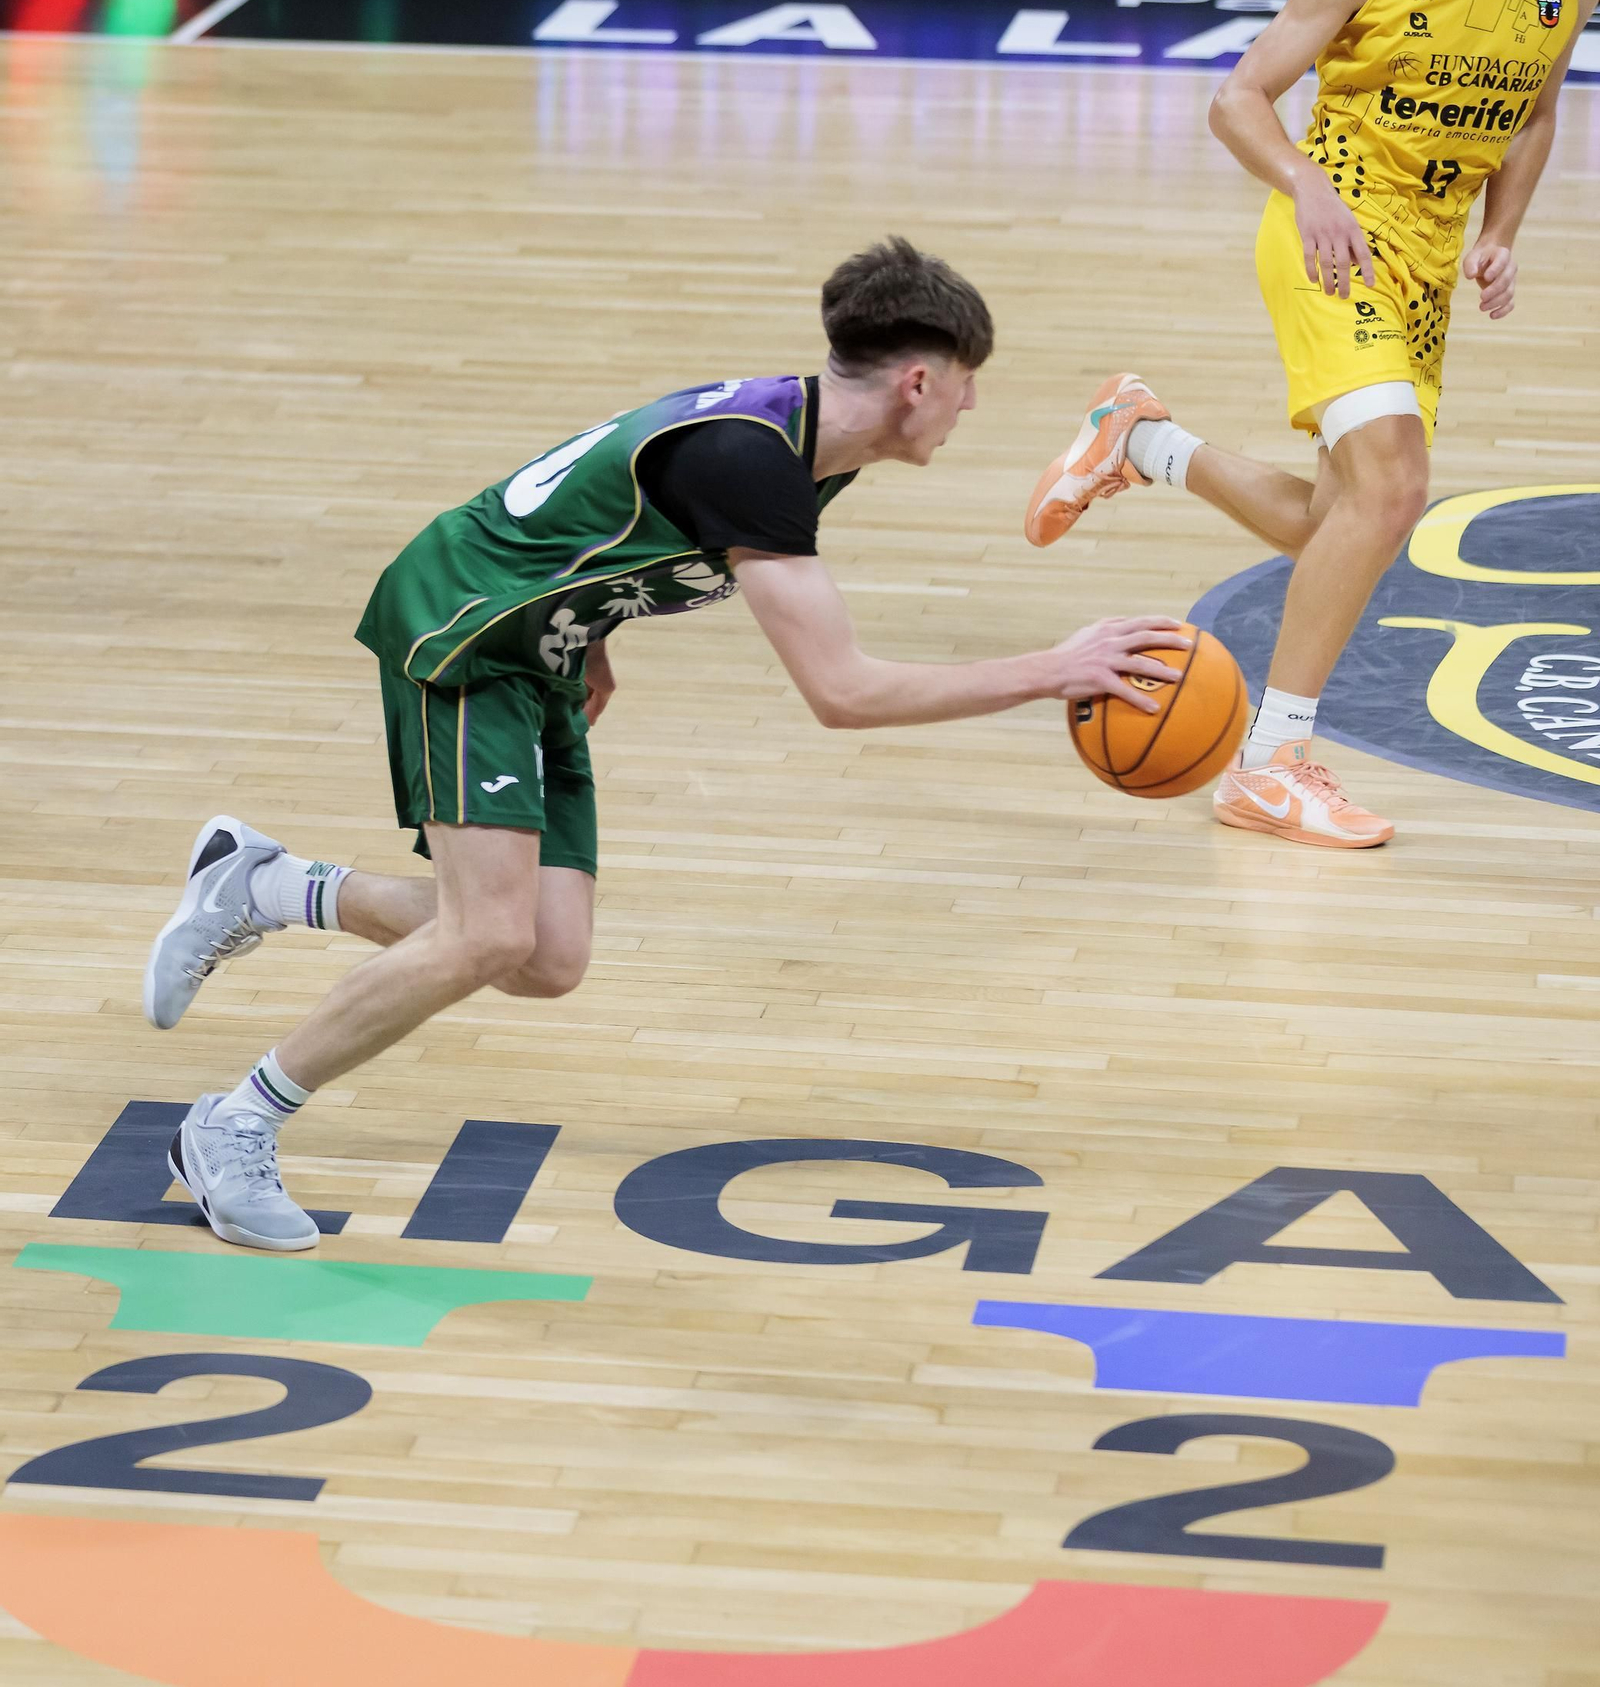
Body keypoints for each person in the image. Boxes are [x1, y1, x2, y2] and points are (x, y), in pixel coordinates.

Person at [143, 236, 1189, 1251]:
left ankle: (265, 885)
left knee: (545, 956)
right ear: (919, 381)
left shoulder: (802, 435)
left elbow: (596, 504)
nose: (971, 406)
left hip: (543, 642)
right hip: (466, 632)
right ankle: (233, 1125)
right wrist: (1054, 667)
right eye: (967, 383)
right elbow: (843, 693)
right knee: (486, 935)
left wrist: (592, 624)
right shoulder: (752, 459)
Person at [1024, 0, 1600, 848]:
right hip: (1331, 237)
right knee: (1394, 488)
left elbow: (1536, 112)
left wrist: (1503, 233)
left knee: (1341, 524)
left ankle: (1140, 441)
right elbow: (1237, 98)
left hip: (1426, 261)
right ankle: (1269, 765)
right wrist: (1306, 184)